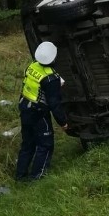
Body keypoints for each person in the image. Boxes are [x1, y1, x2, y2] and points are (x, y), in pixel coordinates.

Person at [15, 41, 68, 181]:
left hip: (24, 108)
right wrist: (63, 122)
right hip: (38, 113)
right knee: (46, 144)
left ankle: (20, 176)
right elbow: (54, 104)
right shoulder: (51, 79)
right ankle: (37, 178)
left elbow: (39, 81)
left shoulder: (32, 66)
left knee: (28, 143)